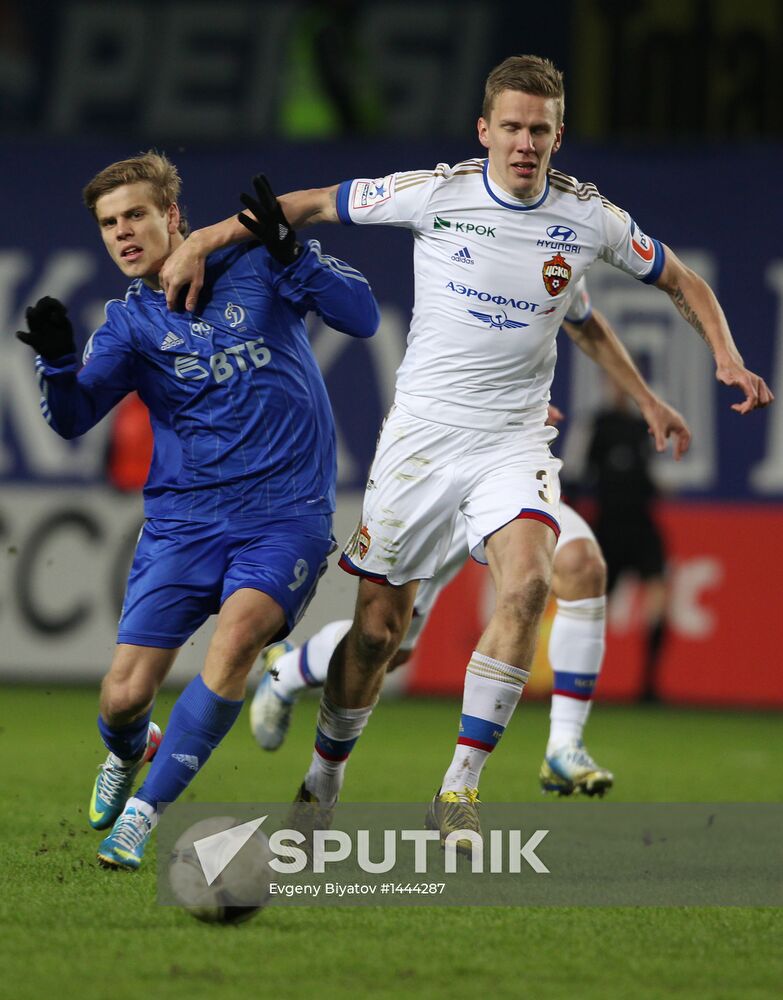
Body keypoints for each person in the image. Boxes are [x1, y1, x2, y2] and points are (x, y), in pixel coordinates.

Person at [160, 54, 772, 851]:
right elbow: (307, 204)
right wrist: (203, 241)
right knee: (381, 636)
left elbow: (681, 281)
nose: (525, 144)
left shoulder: (590, 220)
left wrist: (721, 355)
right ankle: (323, 781)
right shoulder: (436, 193)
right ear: (484, 130)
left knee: (528, 584)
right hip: (419, 441)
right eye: (511, 128)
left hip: (512, 440)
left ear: (559, 136)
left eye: (540, 131)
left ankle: (458, 788)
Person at [16, 152, 380, 871]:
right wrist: (58, 366)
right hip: (184, 524)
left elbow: (362, 316)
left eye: (135, 216)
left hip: (285, 516)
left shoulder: (258, 263)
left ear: (172, 217)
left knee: (238, 638)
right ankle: (131, 749)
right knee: (121, 697)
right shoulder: (129, 323)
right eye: (108, 224)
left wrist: (291, 251)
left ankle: (146, 813)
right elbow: (72, 418)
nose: (123, 233)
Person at [249, 292, 692, 800]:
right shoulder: (457, 245)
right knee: (387, 644)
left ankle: (562, 746)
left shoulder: (560, 243)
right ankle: (289, 671)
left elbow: (586, 320)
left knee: (581, 564)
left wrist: (646, 400)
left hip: (507, 469)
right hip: (435, 469)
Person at [585, 384, 670, 702]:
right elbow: (581, 474)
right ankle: (578, 681)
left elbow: (648, 472)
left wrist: (656, 486)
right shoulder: (597, 425)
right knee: (590, 606)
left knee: (659, 594)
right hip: (609, 527)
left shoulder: (642, 427)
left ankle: (649, 683)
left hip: (642, 525)